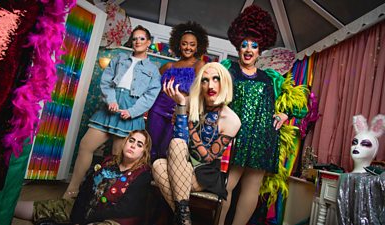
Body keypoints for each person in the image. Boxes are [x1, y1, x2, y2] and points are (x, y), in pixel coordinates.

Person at [218, 5, 308, 225]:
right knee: (226, 185)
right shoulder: (227, 69)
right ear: (238, 47)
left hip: (263, 138)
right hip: (236, 138)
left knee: (252, 187)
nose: (249, 49)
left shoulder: (272, 78)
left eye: (254, 45)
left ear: (260, 50)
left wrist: (285, 114)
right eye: (244, 45)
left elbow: (302, 106)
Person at [63, 25, 161, 199]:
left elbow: (150, 96)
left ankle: (104, 197)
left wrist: (131, 111)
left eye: (142, 38)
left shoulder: (153, 70)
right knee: (86, 145)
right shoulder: (119, 58)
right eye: (135, 38)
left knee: (118, 158)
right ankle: (72, 190)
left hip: (129, 113)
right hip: (110, 108)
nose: (137, 41)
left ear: (148, 43)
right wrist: (111, 100)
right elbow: (106, 82)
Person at [152, 62, 241, 225]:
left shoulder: (232, 120)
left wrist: (188, 121)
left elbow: (205, 157)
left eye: (216, 79)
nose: (210, 85)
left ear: (225, 83)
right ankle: (184, 219)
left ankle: (181, 219)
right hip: (180, 162)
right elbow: (179, 140)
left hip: (204, 173)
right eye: (205, 80)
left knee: (172, 154)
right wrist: (181, 106)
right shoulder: (188, 102)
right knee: (160, 161)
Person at [14, 130, 153, 225]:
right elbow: (86, 188)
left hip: (112, 220)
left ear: (144, 152)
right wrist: (78, 215)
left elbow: (125, 209)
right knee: (48, 207)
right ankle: (2, 208)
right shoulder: (109, 162)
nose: (133, 145)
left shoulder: (143, 174)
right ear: (125, 142)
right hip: (86, 208)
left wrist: (87, 218)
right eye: (131, 140)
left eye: (139, 144)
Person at [146, 21, 209, 161]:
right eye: (184, 43)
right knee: (150, 147)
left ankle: (159, 179)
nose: (188, 47)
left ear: (198, 46)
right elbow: (151, 87)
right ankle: (143, 178)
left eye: (192, 44)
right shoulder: (168, 66)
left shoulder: (200, 65)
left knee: (168, 150)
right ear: (179, 45)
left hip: (179, 113)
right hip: (158, 110)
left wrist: (185, 110)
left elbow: (199, 92)